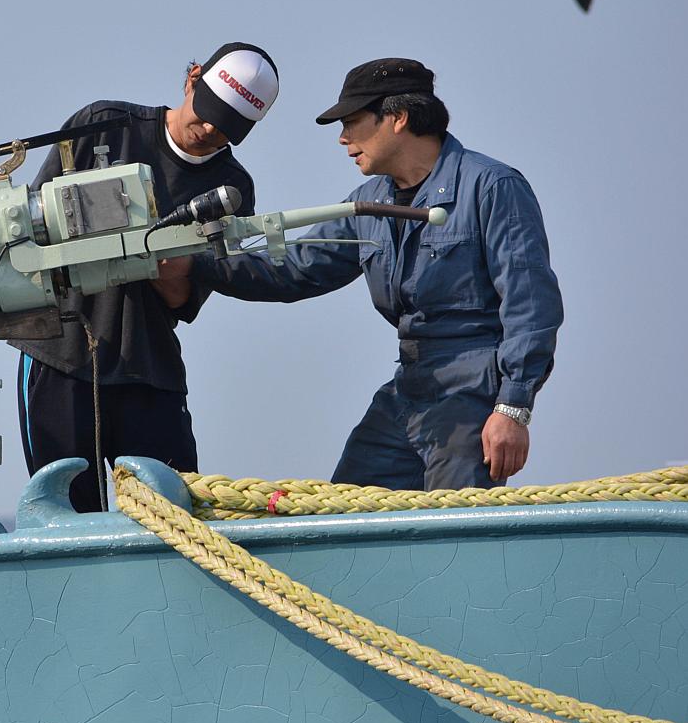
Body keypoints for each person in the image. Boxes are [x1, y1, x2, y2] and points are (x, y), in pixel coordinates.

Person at [183, 57, 563, 490]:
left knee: (451, 539)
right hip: (407, 390)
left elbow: (530, 305)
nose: (343, 138)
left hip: (473, 395)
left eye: (352, 122)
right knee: (346, 513)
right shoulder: (367, 203)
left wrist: (511, 408)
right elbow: (294, 267)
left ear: (398, 118)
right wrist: (190, 260)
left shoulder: (493, 187)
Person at [9, 43, 280, 513]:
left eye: (230, 127)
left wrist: (163, 259)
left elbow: (184, 298)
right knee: (65, 515)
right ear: (193, 77)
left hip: (149, 365)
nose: (212, 129)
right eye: (210, 111)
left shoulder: (232, 190)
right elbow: (30, 229)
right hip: (60, 354)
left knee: (174, 517)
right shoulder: (103, 124)